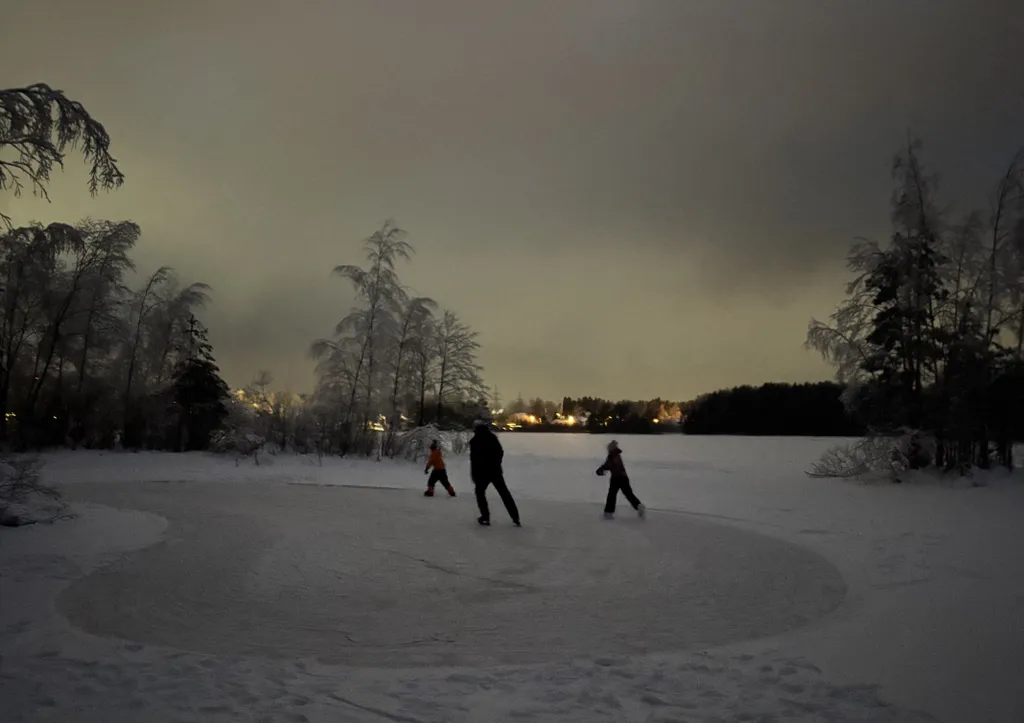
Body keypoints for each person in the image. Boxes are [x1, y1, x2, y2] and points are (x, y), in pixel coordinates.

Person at [469, 421, 520, 526]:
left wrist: (474, 474)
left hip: (482, 473)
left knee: (480, 493)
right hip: (495, 471)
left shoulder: (474, 441)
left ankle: (485, 517)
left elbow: (474, 459)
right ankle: (515, 517)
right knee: (504, 493)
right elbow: (500, 452)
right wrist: (496, 463)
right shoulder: (492, 438)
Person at [596, 440, 645, 520]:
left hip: (616, 478)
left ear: (611, 449)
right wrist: (603, 469)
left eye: (608, 449)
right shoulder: (616, 455)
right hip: (624, 477)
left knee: (611, 495)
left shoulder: (613, 455)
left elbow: (609, 464)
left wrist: (601, 469)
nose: (608, 450)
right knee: (628, 494)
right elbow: (611, 465)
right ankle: (638, 506)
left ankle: (608, 513)